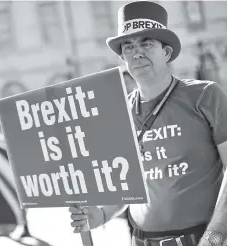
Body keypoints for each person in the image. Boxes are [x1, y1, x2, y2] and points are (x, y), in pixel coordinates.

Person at [69, 2, 227, 246]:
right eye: (128, 46)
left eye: (147, 44)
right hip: (141, 241)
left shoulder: (205, 95)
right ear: (122, 58)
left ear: (166, 53)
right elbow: (128, 185)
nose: (137, 53)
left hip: (200, 239)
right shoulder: (118, 113)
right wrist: (100, 214)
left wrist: (216, 237)